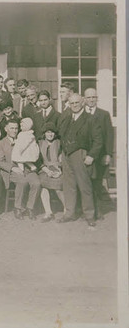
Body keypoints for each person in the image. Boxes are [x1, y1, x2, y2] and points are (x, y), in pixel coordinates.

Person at [58, 93, 102, 227]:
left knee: (85, 186)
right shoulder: (67, 118)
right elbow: (62, 136)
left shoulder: (90, 119)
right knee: (68, 185)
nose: (75, 105)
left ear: (82, 102)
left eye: (77, 102)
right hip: (66, 154)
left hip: (80, 154)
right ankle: (69, 213)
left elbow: (98, 140)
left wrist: (91, 156)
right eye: (72, 103)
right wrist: (61, 152)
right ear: (69, 104)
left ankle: (89, 215)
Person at [0, 120, 41, 220]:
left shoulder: (24, 138)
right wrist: (13, 168)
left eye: (16, 128)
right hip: (12, 171)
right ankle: (18, 207)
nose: (14, 131)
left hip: (27, 168)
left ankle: (30, 208)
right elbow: (0, 161)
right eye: (12, 128)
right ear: (6, 129)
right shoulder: (1, 143)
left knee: (37, 183)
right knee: (22, 181)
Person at [84, 88, 114, 219]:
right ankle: (86, 210)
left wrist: (108, 154)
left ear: (97, 98)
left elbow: (109, 136)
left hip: (99, 155)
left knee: (97, 183)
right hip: (85, 155)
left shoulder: (104, 114)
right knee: (86, 183)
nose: (91, 100)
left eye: (93, 97)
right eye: (88, 97)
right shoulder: (81, 113)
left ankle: (98, 211)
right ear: (84, 99)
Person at [37, 123, 65, 222]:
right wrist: (46, 170)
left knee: (58, 185)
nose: (50, 134)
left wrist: (60, 170)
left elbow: (63, 158)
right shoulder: (39, 143)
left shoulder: (59, 143)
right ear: (44, 133)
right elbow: (38, 160)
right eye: (48, 132)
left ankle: (67, 210)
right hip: (44, 169)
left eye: (52, 132)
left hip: (58, 169)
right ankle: (48, 212)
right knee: (43, 185)